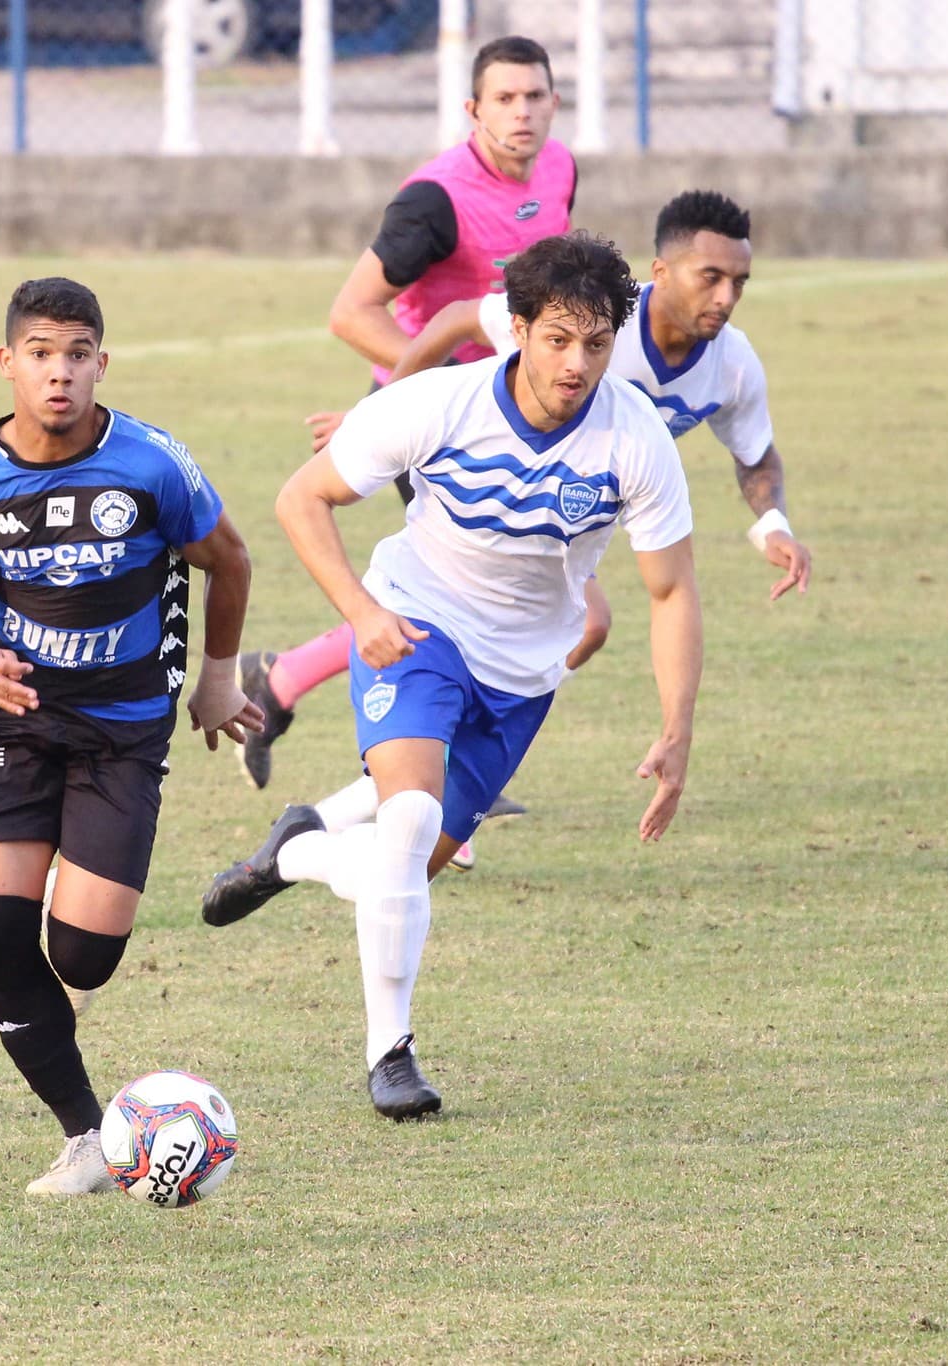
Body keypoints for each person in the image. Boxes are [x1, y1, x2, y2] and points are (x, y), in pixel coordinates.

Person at [199, 233, 703, 1121]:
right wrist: (362, 613)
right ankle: (389, 1054)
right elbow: (298, 499)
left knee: (407, 869)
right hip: (415, 624)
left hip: (522, 677)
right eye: (556, 339)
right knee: (413, 818)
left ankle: (300, 846)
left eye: (595, 343)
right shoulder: (441, 404)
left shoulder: (636, 442)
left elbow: (671, 592)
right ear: (517, 330)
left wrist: (676, 731)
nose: (576, 363)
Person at [288, 189, 817, 842]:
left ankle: (340, 806)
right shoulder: (585, 319)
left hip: (573, 531)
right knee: (519, 616)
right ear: (662, 273)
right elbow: (457, 317)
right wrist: (385, 412)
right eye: (711, 276)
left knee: (575, 626)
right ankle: (382, 738)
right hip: (483, 476)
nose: (726, 296)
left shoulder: (729, 367)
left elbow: (754, 455)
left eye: (739, 281)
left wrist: (774, 527)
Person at [0, 278, 264, 1195]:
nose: (59, 373)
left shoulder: (151, 464)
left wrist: (217, 679)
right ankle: (86, 1137)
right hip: (13, 718)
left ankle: (106, 1108)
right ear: (7, 364)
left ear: (101, 364)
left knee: (83, 958)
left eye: (77, 355)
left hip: (121, 730)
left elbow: (228, 558)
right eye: (40, 354)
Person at [234, 34, 578, 792]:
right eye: (505, 99)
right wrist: (409, 400)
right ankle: (437, 784)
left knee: (524, 596)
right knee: (468, 599)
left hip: (518, 421)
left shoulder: (559, 168)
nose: (522, 113)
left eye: (535, 97)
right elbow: (351, 311)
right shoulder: (435, 201)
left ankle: (282, 682)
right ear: (472, 110)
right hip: (442, 420)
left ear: (555, 102)